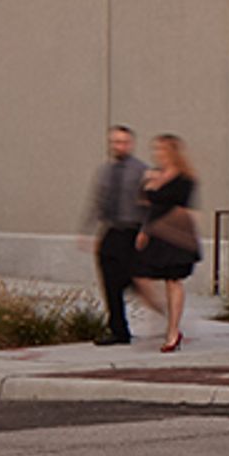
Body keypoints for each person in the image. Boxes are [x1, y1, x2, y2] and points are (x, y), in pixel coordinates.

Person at [130, 134, 202, 352]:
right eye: (156, 150)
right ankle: (164, 311)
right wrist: (144, 229)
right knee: (139, 275)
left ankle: (173, 331)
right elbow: (144, 202)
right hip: (155, 232)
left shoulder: (185, 179)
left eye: (161, 150)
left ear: (172, 152)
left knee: (173, 280)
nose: (157, 154)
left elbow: (179, 204)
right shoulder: (154, 174)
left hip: (175, 233)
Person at [82, 126, 146, 346]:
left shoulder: (140, 171)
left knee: (128, 277)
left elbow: (149, 204)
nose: (119, 146)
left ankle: (144, 293)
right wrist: (88, 231)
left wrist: (146, 231)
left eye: (123, 142)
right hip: (111, 229)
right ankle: (119, 330)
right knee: (109, 281)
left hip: (133, 231)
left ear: (131, 144)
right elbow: (97, 201)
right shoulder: (105, 171)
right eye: (115, 142)